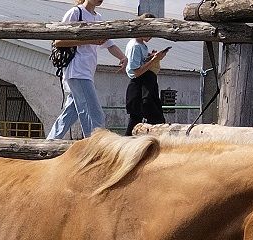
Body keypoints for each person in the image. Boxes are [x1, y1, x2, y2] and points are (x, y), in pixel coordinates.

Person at [47, 0, 127, 140]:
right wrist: (88, 40)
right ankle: (95, 146)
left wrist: (123, 57)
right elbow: (58, 40)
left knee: (71, 112)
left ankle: (50, 142)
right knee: (93, 112)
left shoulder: (98, 17)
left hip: (87, 71)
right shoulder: (75, 12)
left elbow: (109, 43)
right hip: (77, 70)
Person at [123, 14, 169, 136]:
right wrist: (154, 60)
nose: (151, 36)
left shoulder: (141, 45)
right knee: (146, 118)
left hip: (143, 86)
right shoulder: (135, 46)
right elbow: (136, 72)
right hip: (139, 87)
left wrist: (151, 57)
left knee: (136, 121)